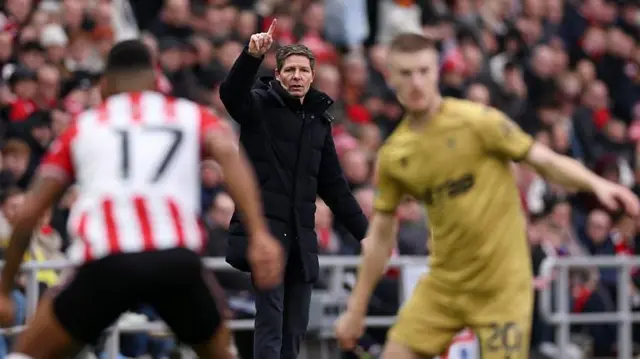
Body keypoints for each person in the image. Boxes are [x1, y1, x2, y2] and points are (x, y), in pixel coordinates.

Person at [334, 33, 640, 359]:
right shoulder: (395, 155)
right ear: (390, 76)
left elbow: (544, 160)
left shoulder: (478, 121)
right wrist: (356, 310)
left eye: (424, 71)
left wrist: (596, 183)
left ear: (437, 71)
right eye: (406, 73)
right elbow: (381, 234)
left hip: (502, 285)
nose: (416, 82)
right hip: (444, 285)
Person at [0, 39, 283, 359]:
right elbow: (230, 154)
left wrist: (5, 288)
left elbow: (30, 211)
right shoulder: (191, 115)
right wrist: (259, 233)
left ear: (105, 86)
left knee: (27, 353)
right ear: (155, 81)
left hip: (105, 261)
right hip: (175, 260)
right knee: (219, 353)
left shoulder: (83, 127)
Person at [219, 20, 368, 359]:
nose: (297, 76)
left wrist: (366, 233)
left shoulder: (319, 122)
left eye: (303, 70)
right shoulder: (258, 104)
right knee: (270, 320)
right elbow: (231, 95)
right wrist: (251, 56)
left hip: (301, 238)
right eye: (290, 70)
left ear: (312, 76)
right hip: (266, 237)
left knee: (295, 328)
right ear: (279, 74)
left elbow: (335, 187)